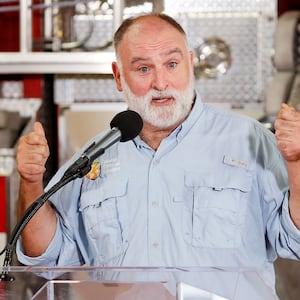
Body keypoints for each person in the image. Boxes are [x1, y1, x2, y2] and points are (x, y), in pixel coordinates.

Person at [15, 13, 300, 298]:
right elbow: (45, 257)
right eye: (143, 69)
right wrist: (30, 181)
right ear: (118, 76)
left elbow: (294, 241)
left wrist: (298, 165)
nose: (161, 82)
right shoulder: (92, 158)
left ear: (190, 64)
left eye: (172, 64)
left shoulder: (249, 142)